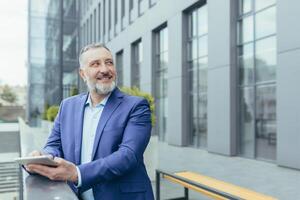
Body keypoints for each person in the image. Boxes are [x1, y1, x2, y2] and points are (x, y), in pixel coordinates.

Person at [26, 43, 154, 200]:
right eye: (95, 64)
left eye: (109, 62)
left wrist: (77, 173)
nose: (105, 70)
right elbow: (54, 144)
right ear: (82, 73)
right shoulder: (67, 106)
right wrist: (43, 158)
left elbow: (128, 155)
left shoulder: (136, 106)